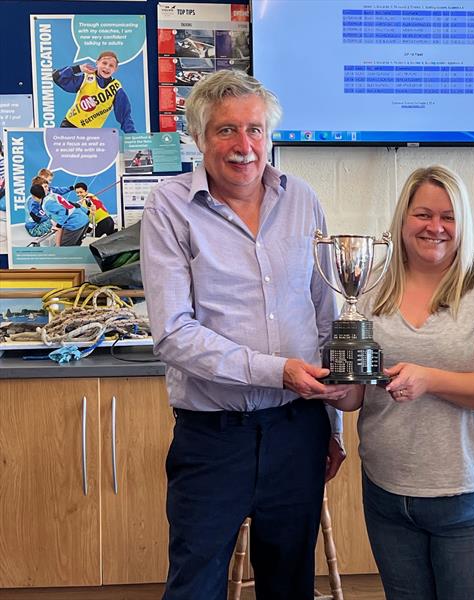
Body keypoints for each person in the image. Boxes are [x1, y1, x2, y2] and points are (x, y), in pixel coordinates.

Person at [140, 69, 348, 600]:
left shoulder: (303, 199)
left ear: (270, 135)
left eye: (254, 130)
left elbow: (324, 315)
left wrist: (331, 423)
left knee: (289, 584)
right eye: (226, 131)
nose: (243, 146)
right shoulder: (168, 207)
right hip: (214, 436)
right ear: (199, 137)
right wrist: (275, 371)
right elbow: (172, 333)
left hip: (297, 430)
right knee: (195, 585)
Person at [329, 165, 474, 599]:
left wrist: (430, 379)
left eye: (448, 217)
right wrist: (332, 386)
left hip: (470, 496)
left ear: (464, 224)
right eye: (423, 214)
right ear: (403, 219)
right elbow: (355, 397)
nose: (435, 227)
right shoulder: (368, 289)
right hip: (388, 491)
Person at [52, 51, 136, 133]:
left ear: (115, 69)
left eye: (111, 65)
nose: (107, 67)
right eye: (104, 63)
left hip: (92, 134)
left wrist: (132, 137)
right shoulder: (86, 78)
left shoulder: (116, 88)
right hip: (70, 126)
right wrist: (79, 68)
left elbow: (124, 116)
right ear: (97, 62)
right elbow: (58, 77)